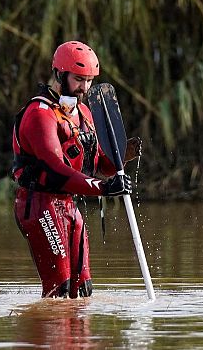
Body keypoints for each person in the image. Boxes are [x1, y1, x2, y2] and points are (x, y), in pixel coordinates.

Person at [11, 40, 137, 298]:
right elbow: (56, 170)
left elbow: (101, 165)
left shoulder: (85, 113)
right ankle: (50, 335)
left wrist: (122, 158)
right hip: (40, 205)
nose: (85, 87)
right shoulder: (39, 113)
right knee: (60, 289)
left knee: (83, 289)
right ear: (60, 73)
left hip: (69, 206)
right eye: (79, 79)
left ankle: (81, 339)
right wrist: (103, 188)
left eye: (89, 80)